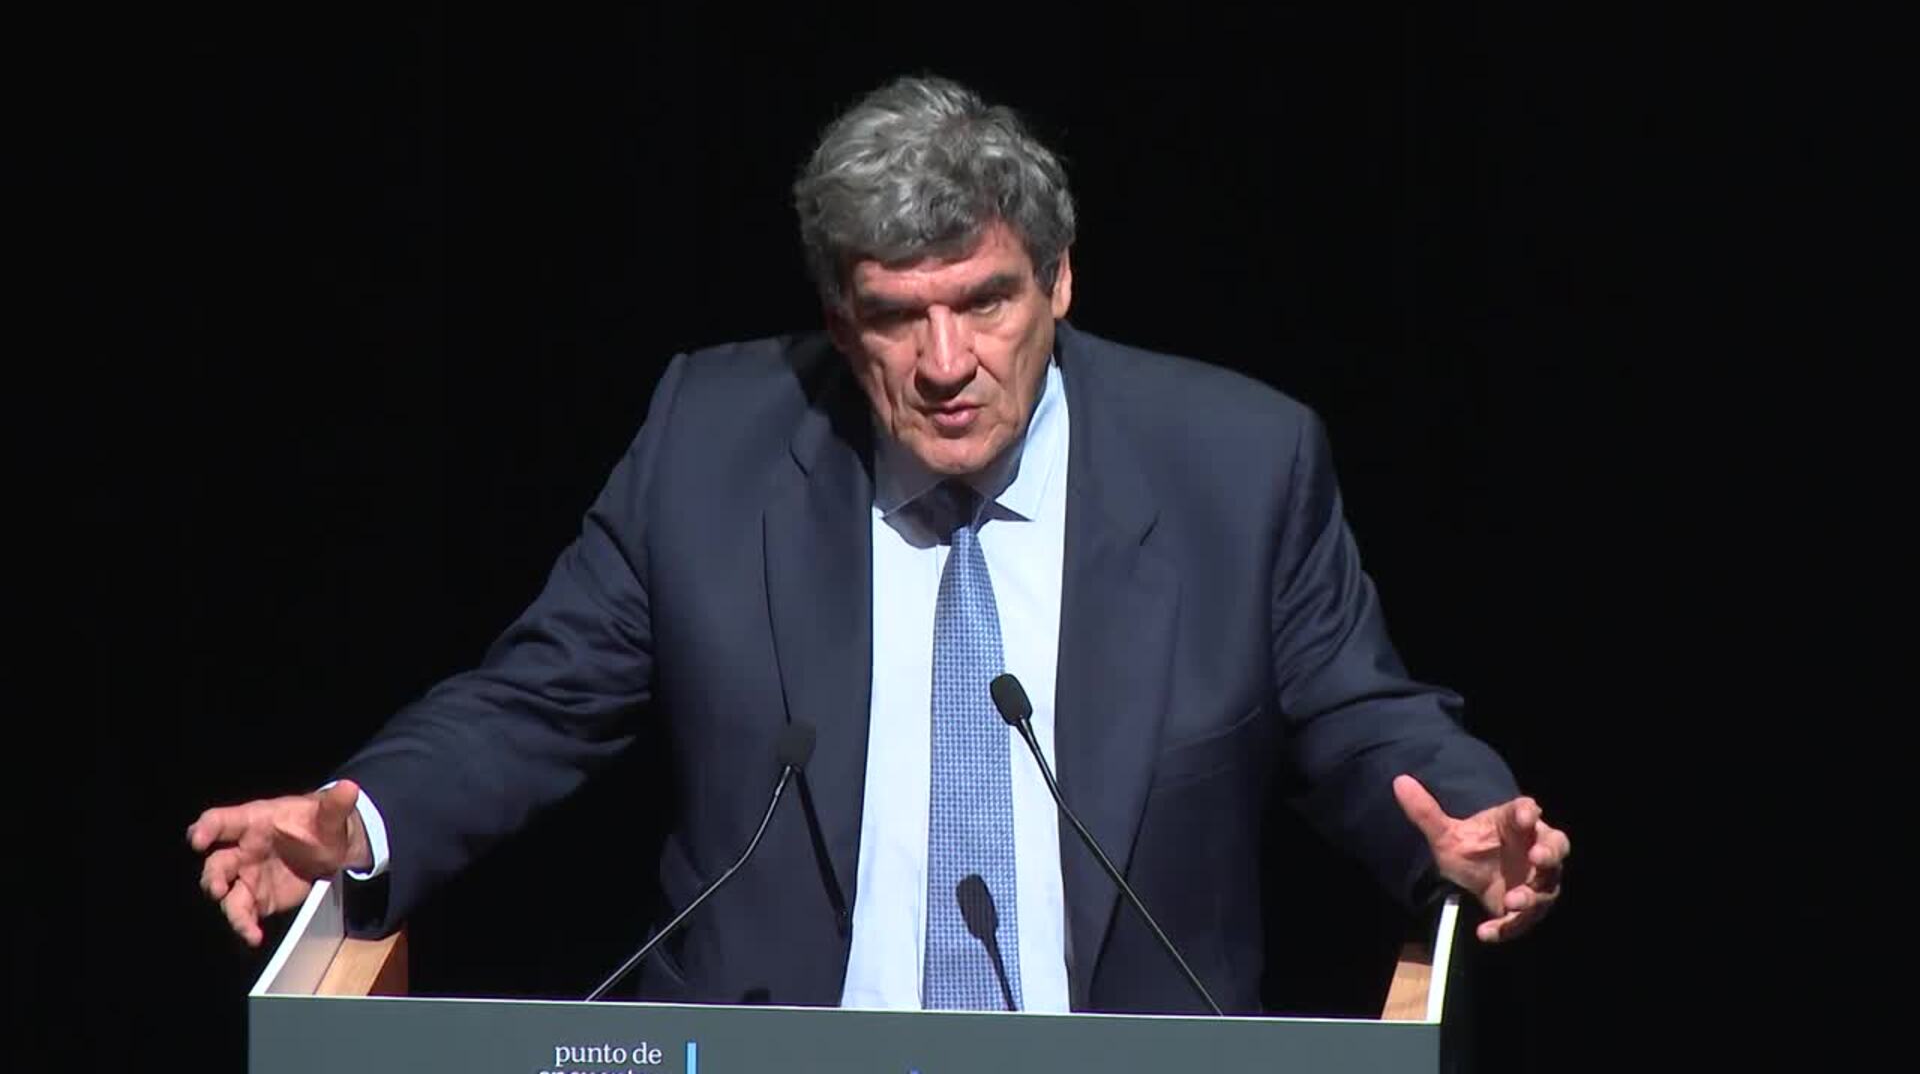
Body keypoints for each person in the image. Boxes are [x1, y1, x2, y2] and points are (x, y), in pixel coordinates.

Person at [189, 74, 1569, 1015]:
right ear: (839, 321)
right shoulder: (714, 444)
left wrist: (1471, 818)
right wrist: (359, 820)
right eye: (899, 317)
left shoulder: (1238, 465)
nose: (947, 362)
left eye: (986, 302)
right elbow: (535, 700)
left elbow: (1359, 716)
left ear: (1060, 280)